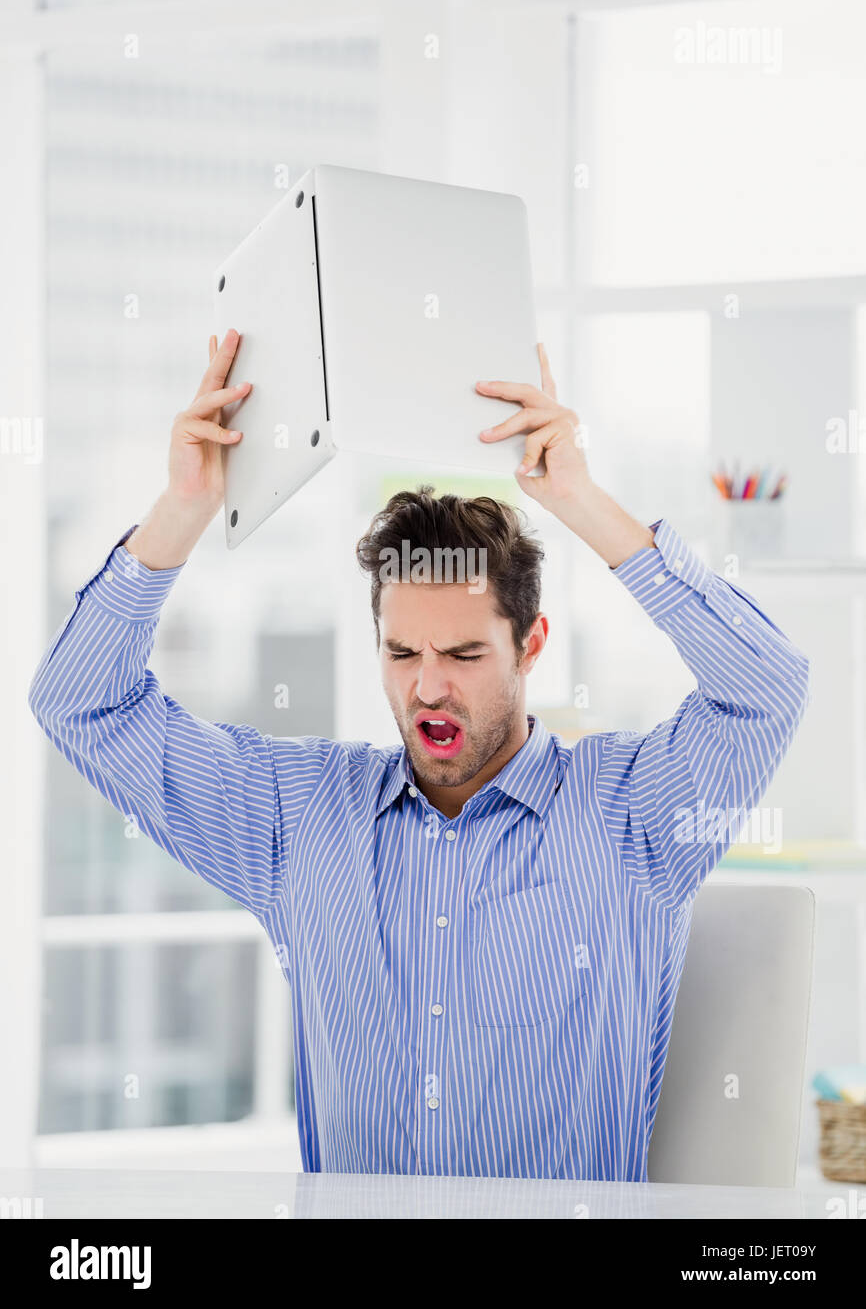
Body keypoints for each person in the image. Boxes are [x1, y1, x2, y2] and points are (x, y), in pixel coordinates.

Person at [28, 329, 810, 1181]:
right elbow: (81, 701)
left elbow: (764, 690)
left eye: (466, 656)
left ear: (531, 644)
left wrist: (581, 501)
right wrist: (182, 513)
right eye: (402, 654)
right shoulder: (299, 814)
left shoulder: (632, 813)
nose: (428, 689)